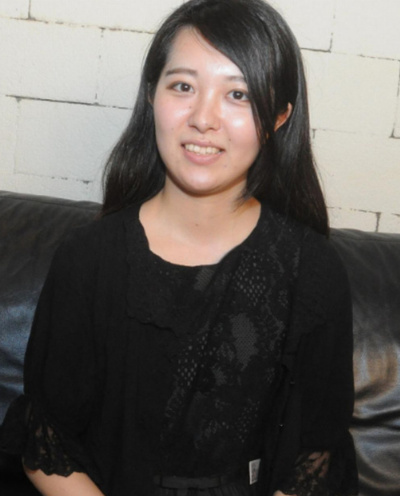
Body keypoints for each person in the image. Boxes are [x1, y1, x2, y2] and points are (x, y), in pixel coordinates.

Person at [0, 0, 358, 495]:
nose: (203, 118)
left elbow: (317, 457)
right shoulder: (88, 258)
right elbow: (47, 441)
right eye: (183, 86)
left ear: (279, 117)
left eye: (238, 94)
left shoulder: (312, 271)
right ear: (152, 94)